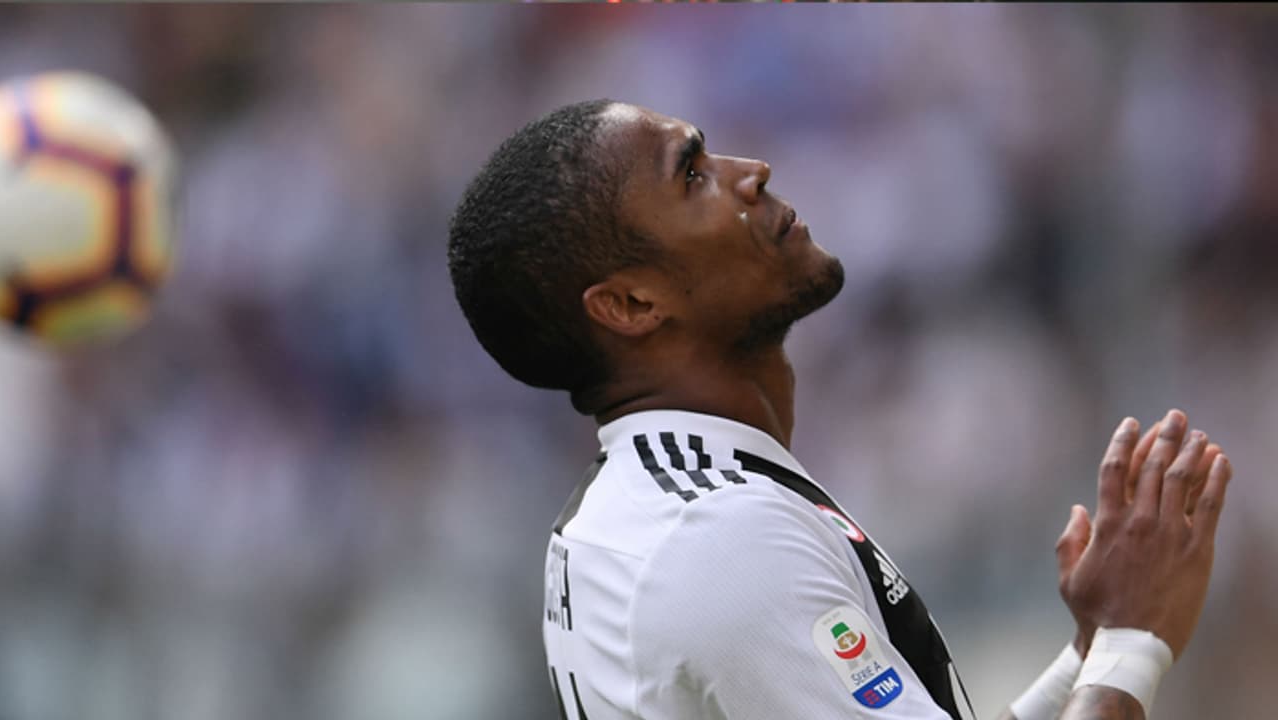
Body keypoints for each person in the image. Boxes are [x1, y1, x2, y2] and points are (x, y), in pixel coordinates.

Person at [447, 100, 1233, 720]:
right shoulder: (713, 534)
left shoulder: (655, 507)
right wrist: (1132, 641)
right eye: (691, 175)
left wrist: (1085, 656)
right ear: (630, 303)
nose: (750, 171)